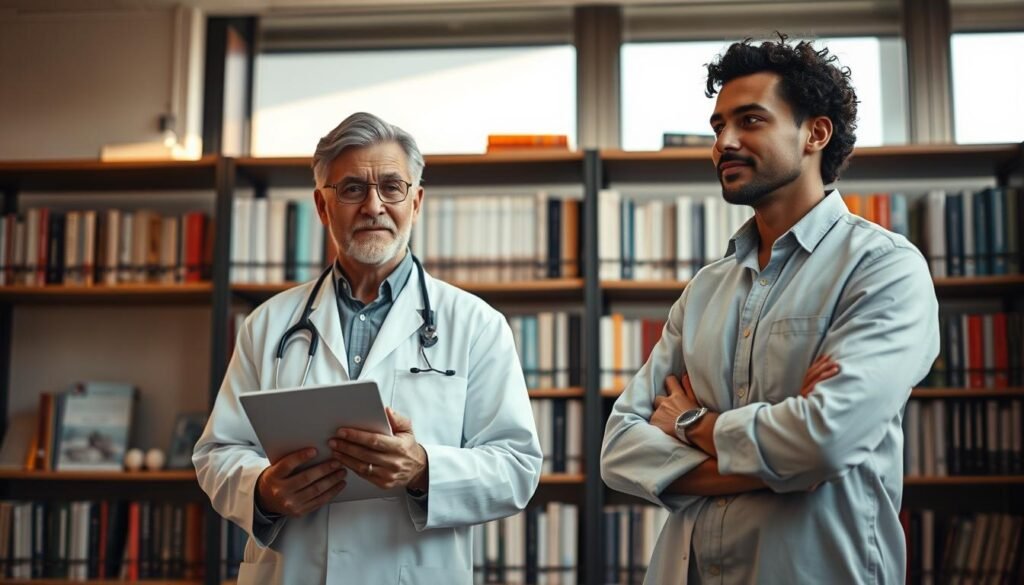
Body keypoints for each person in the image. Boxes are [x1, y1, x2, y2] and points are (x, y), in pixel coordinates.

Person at [601, 36, 939, 584]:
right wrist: (782, 467)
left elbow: (823, 440)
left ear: (815, 132)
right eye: (717, 127)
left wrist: (690, 423)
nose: (724, 142)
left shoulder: (884, 268)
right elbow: (619, 450)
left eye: (751, 120)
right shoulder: (705, 289)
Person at [193, 112, 542, 584]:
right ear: (322, 206)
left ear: (416, 202)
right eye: (352, 189)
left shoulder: (477, 325)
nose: (373, 206)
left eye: (392, 187)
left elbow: (517, 467)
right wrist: (262, 491)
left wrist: (424, 468)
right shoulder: (269, 324)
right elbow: (218, 452)